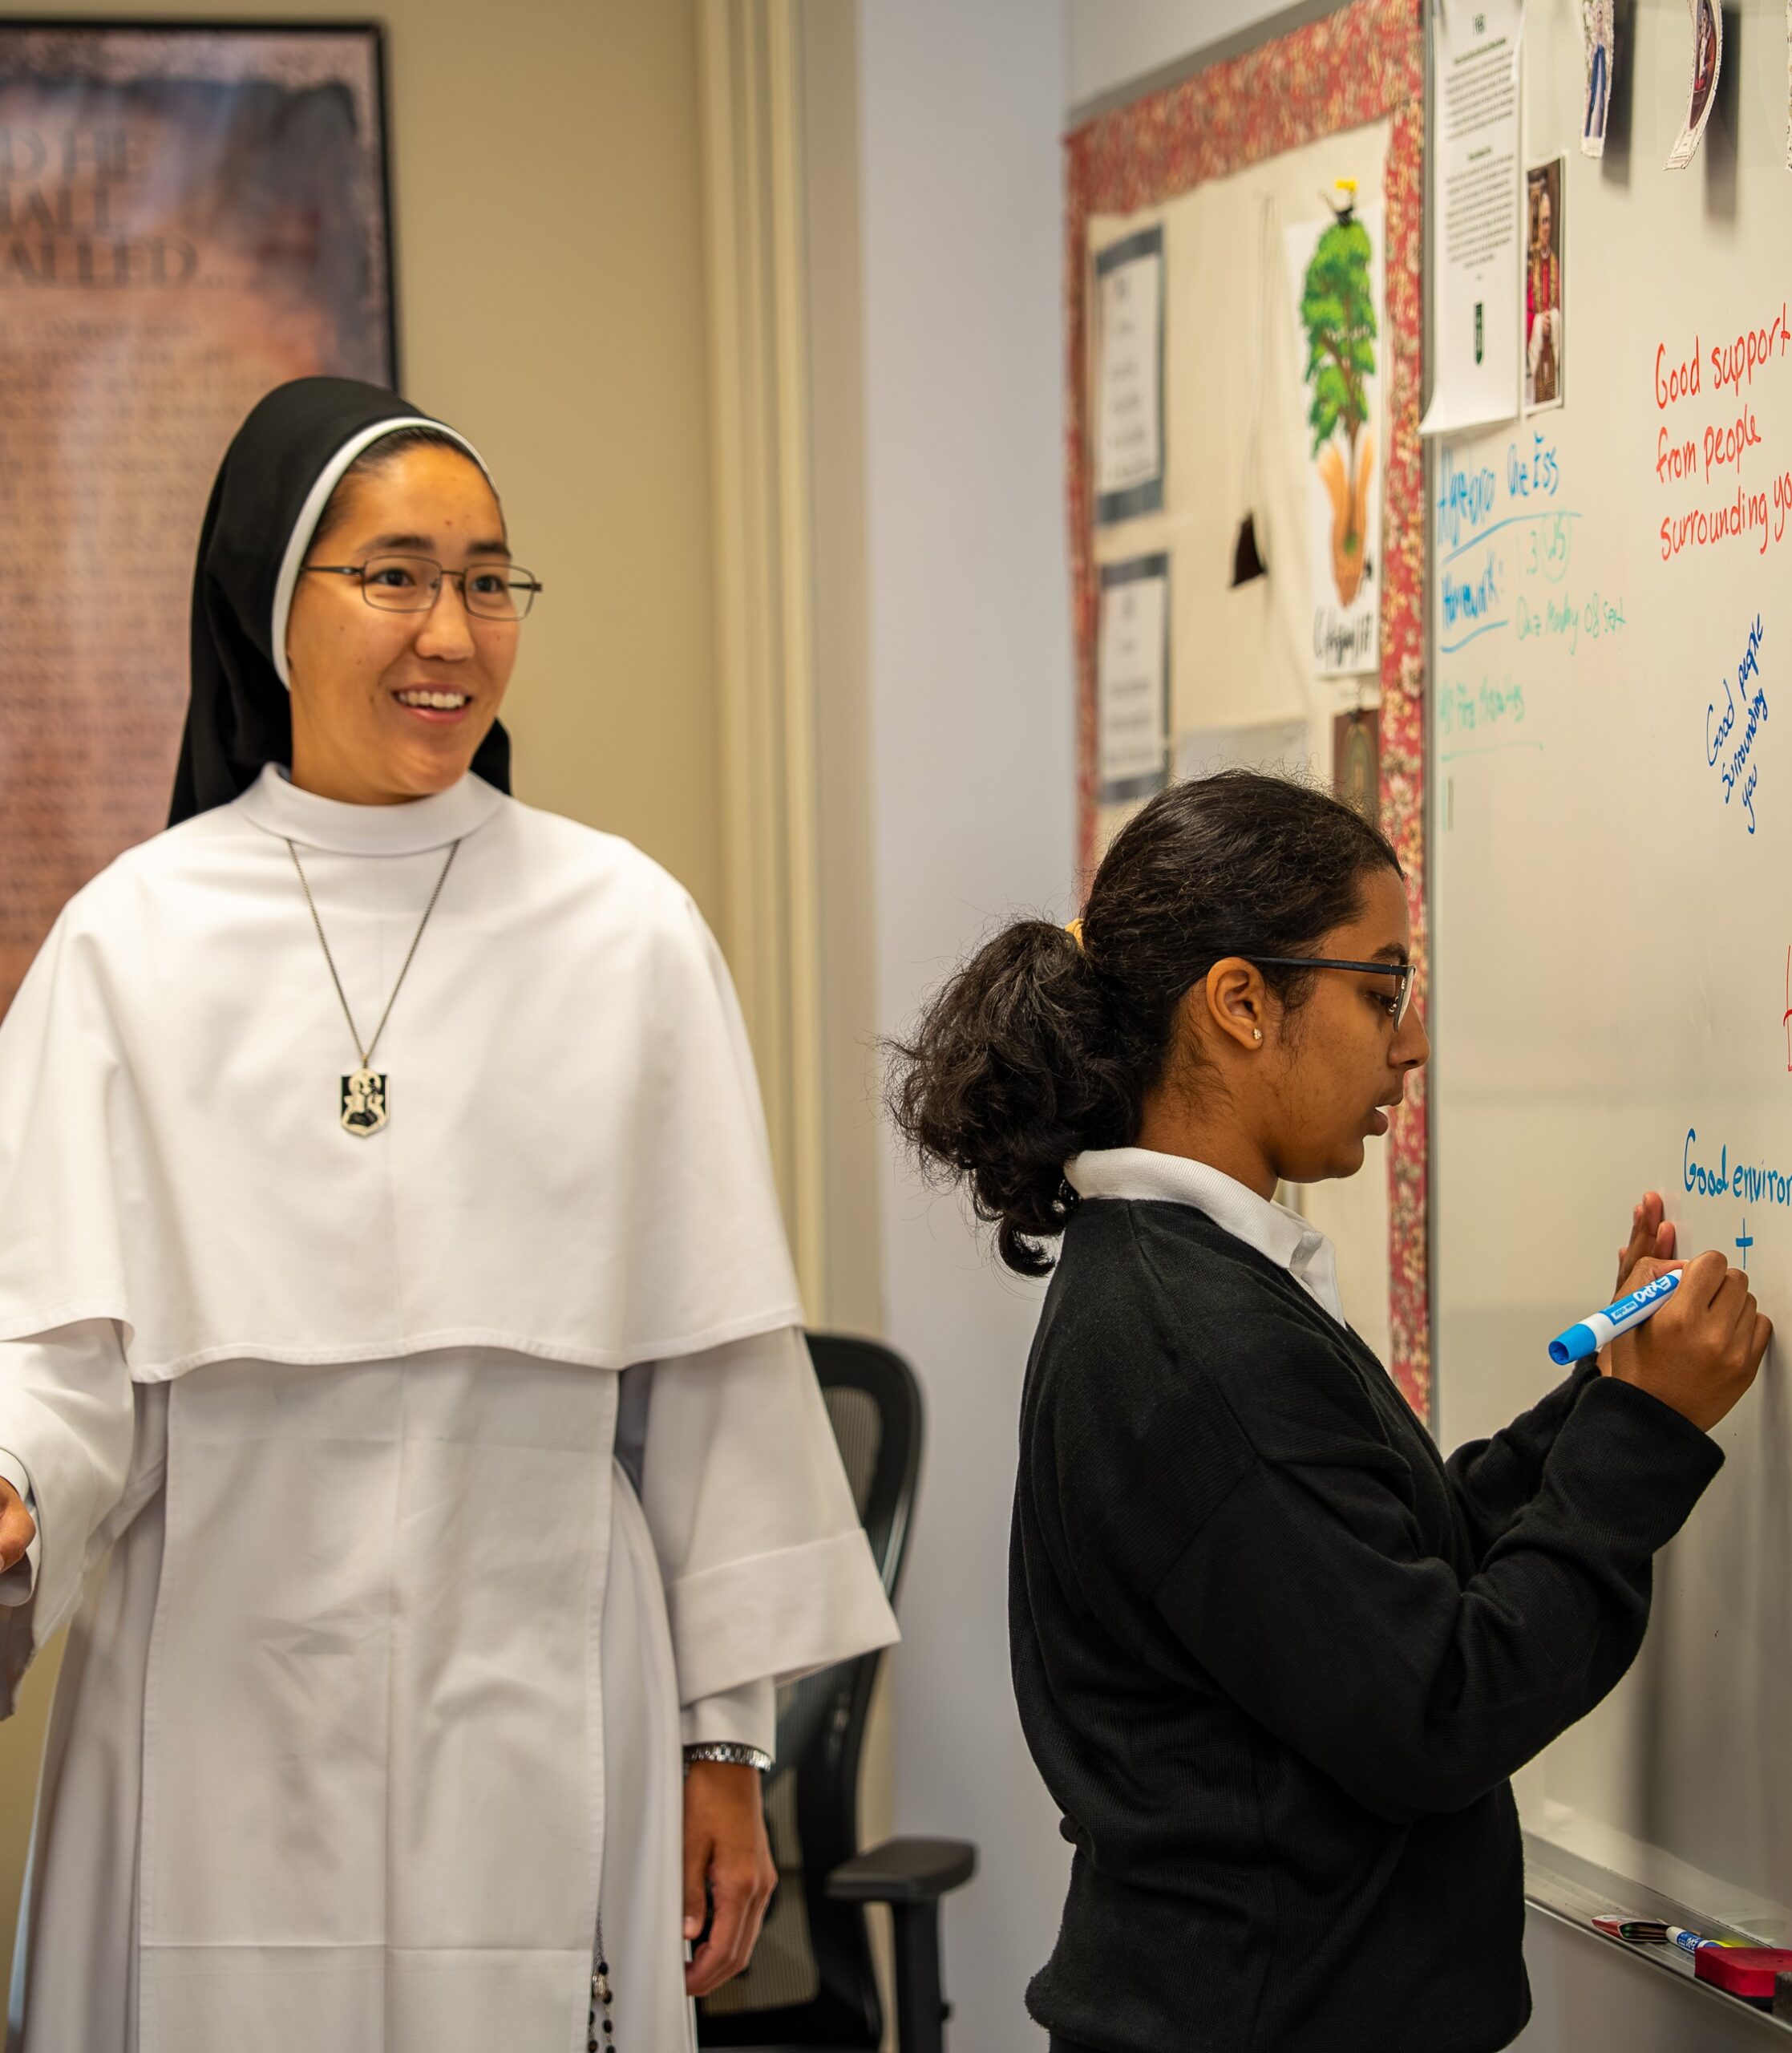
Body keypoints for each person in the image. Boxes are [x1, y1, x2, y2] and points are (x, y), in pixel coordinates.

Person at [0, 376, 897, 2053]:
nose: (452, 629)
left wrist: (727, 1742)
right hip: (220, 1668)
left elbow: (705, 1384)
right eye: (394, 573)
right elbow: (53, 1355)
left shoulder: (622, 928)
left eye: (489, 578)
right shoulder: (133, 939)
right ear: (276, 600)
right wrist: (17, 1489)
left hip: (542, 1646)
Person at [888, 770, 1766, 2053]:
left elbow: (1387, 1559)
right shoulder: (1194, 1349)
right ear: (1241, 1003)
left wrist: (1610, 1395)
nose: (1407, 1043)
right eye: (1380, 990)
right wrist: (1642, 1440)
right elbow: (1438, 1708)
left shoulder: (1187, 1280)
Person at [1526, 182, 1560, 407]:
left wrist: (1555, 318)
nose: (1545, 228)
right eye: (1541, 222)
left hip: (1553, 354)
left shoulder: (1556, 262)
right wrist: (1539, 323)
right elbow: (1524, 312)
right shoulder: (1529, 266)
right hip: (1535, 359)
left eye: (1548, 221)